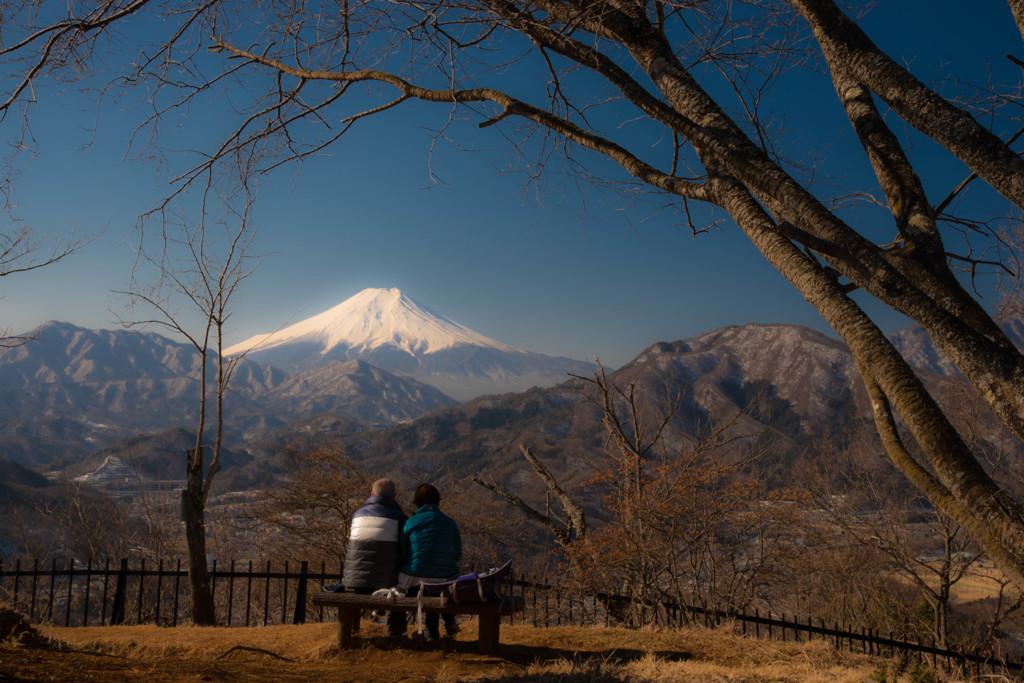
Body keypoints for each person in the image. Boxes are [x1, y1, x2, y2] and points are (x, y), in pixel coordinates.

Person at [342, 478, 407, 637]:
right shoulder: (399, 518)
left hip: (354, 581)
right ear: (394, 496)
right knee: (399, 586)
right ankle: (395, 633)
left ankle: (350, 631)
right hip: (387, 582)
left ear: (371, 494)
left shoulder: (357, 515)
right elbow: (405, 551)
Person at [397, 483, 462, 641]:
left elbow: (402, 551)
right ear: (438, 502)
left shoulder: (410, 523)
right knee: (437, 588)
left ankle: (397, 630)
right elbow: (457, 554)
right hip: (443, 580)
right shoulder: (450, 523)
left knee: (404, 586)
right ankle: (433, 632)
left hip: (414, 579)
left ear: (416, 502)